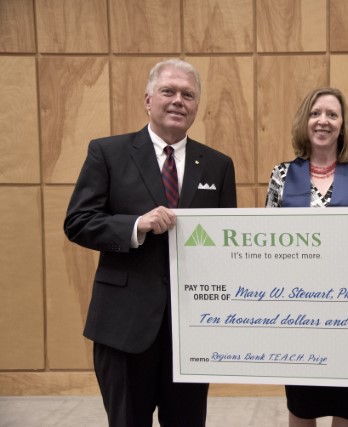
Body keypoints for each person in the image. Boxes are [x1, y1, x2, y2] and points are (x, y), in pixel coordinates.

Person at [64, 58, 237, 427]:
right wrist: (135, 226)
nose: (178, 100)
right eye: (168, 91)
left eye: (188, 94)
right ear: (147, 100)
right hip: (124, 327)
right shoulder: (107, 153)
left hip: (191, 332)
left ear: (196, 106)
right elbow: (78, 222)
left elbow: (226, 245)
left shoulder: (219, 165)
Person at [265, 87, 348, 427]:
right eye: (316, 113)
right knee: (303, 405)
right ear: (305, 122)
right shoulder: (283, 175)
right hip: (298, 310)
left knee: (347, 406)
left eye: (332, 114)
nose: (323, 121)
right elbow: (268, 245)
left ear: (343, 124)